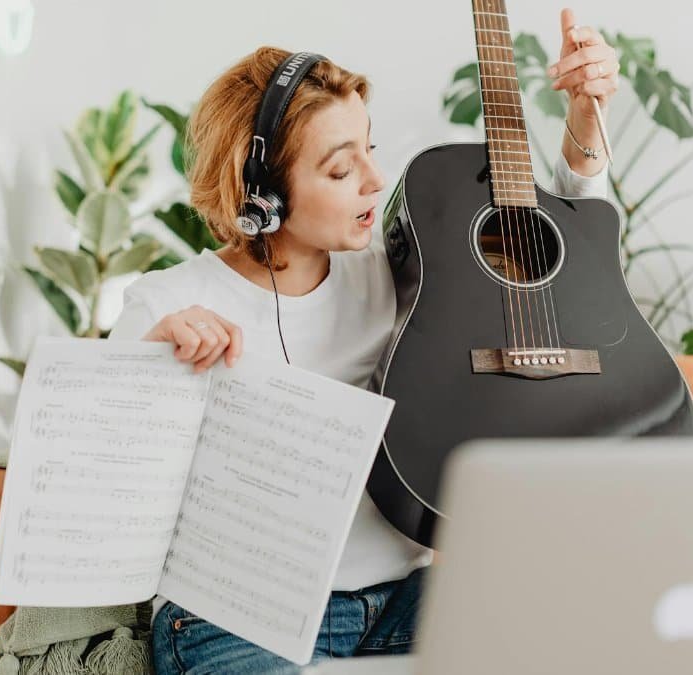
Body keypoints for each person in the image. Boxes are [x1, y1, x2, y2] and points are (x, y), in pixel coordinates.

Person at [107, 8, 620, 673]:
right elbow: (108, 482)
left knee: (580, 617)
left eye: (370, 149)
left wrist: (585, 120)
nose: (376, 181)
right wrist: (151, 366)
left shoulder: (405, 273)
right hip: (238, 616)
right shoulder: (167, 303)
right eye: (341, 169)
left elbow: (553, 262)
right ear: (260, 191)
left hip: (400, 599)